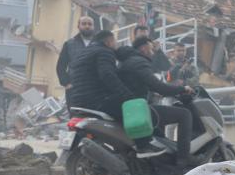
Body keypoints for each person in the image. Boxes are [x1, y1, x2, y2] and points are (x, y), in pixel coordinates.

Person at [117, 36, 196, 166]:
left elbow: (139, 83)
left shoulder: (127, 62)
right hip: (138, 110)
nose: (153, 52)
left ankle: (162, 162)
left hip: (130, 108)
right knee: (185, 114)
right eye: (151, 49)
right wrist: (183, 89)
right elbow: (160, 87)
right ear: (144, 48)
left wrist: (155, 90)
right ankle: (184, 158)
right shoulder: (139, 62)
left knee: (160, 135)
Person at [68, 30, 135, 119]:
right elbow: (108, 75)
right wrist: (128, 95)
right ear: (108, 42)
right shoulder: (105, 52)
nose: (116, 45)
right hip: (97, 101)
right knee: (132, 114)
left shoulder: (83, 53)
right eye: (114, 41)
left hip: (77, 102)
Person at [56, 16, 96, 105]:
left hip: (94, 89)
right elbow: (61, 66)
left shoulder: (99, 43)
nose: (87, 26)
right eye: (84, 24)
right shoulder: (69, 44)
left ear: (93, 27)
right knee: (74, 113)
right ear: (78, 26)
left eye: (90, 24)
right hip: (74, 89)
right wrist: (66, 83)